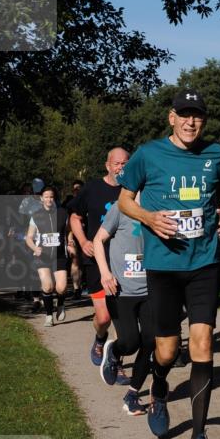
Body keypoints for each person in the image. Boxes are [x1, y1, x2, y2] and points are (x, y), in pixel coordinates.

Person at [118, 89, 220, 439]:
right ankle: (160, 388)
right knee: (167, 350)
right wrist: (149, 218)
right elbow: (124, 199)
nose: (190, 122)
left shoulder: (215, 154)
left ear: (204, 120)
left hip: (204, 263)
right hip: (163, 265)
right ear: (171, 117)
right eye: (184, 114)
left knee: (202, 342)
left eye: (197, 115)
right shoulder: (148, 154)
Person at [68, 148, 130, 364]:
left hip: (125, 260)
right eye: (117, 163)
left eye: (125, 163)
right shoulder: (91, 189)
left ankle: (116, 361)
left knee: (121, 316)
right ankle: (100, 337)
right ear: (107, 165)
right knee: (104, 317)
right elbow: (75, 217)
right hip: (96, 259)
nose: (121, 167)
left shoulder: (133, 190)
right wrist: (83, 241)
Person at [93, 198, 154, 413]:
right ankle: (113, 348)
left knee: (150, 342)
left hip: (150, 290)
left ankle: (132, 395)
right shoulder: (120, 207)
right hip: (120, 290)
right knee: (130, 342)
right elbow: (98, 240)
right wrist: (105, 273)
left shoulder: (155, 203)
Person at [25, 186, 68, 326]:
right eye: (47, 196)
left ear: (54, 198)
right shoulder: (36, 215)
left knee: (61, 288)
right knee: (48, 286)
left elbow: (69, 231)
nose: (49, 199)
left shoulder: (62, 213)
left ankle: (60, 304)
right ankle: (49, 316)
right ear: (41, 198)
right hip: (42, 256)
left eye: (51, 197)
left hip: (59, 254)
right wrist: (34, 248)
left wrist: (71, 241)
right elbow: (29, 237)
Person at [62, 180, 84, 298]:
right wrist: (69, 238)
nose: (77, 191)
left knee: (82, 263)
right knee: (75, 260)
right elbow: (67, 223)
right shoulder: (69, 204)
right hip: (73, 235)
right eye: (75, 189)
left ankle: (82, 285)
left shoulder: (88, 200)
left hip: (88, 235)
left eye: (79, 189)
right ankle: (76, 289)